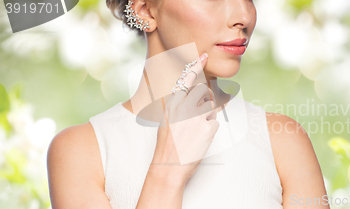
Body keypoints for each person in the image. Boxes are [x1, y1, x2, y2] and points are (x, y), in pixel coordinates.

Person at [46, 0, 328, 208]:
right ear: (145, 10)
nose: (244, 15)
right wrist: (166, 173)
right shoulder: (81, 152)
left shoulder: (282, 139)